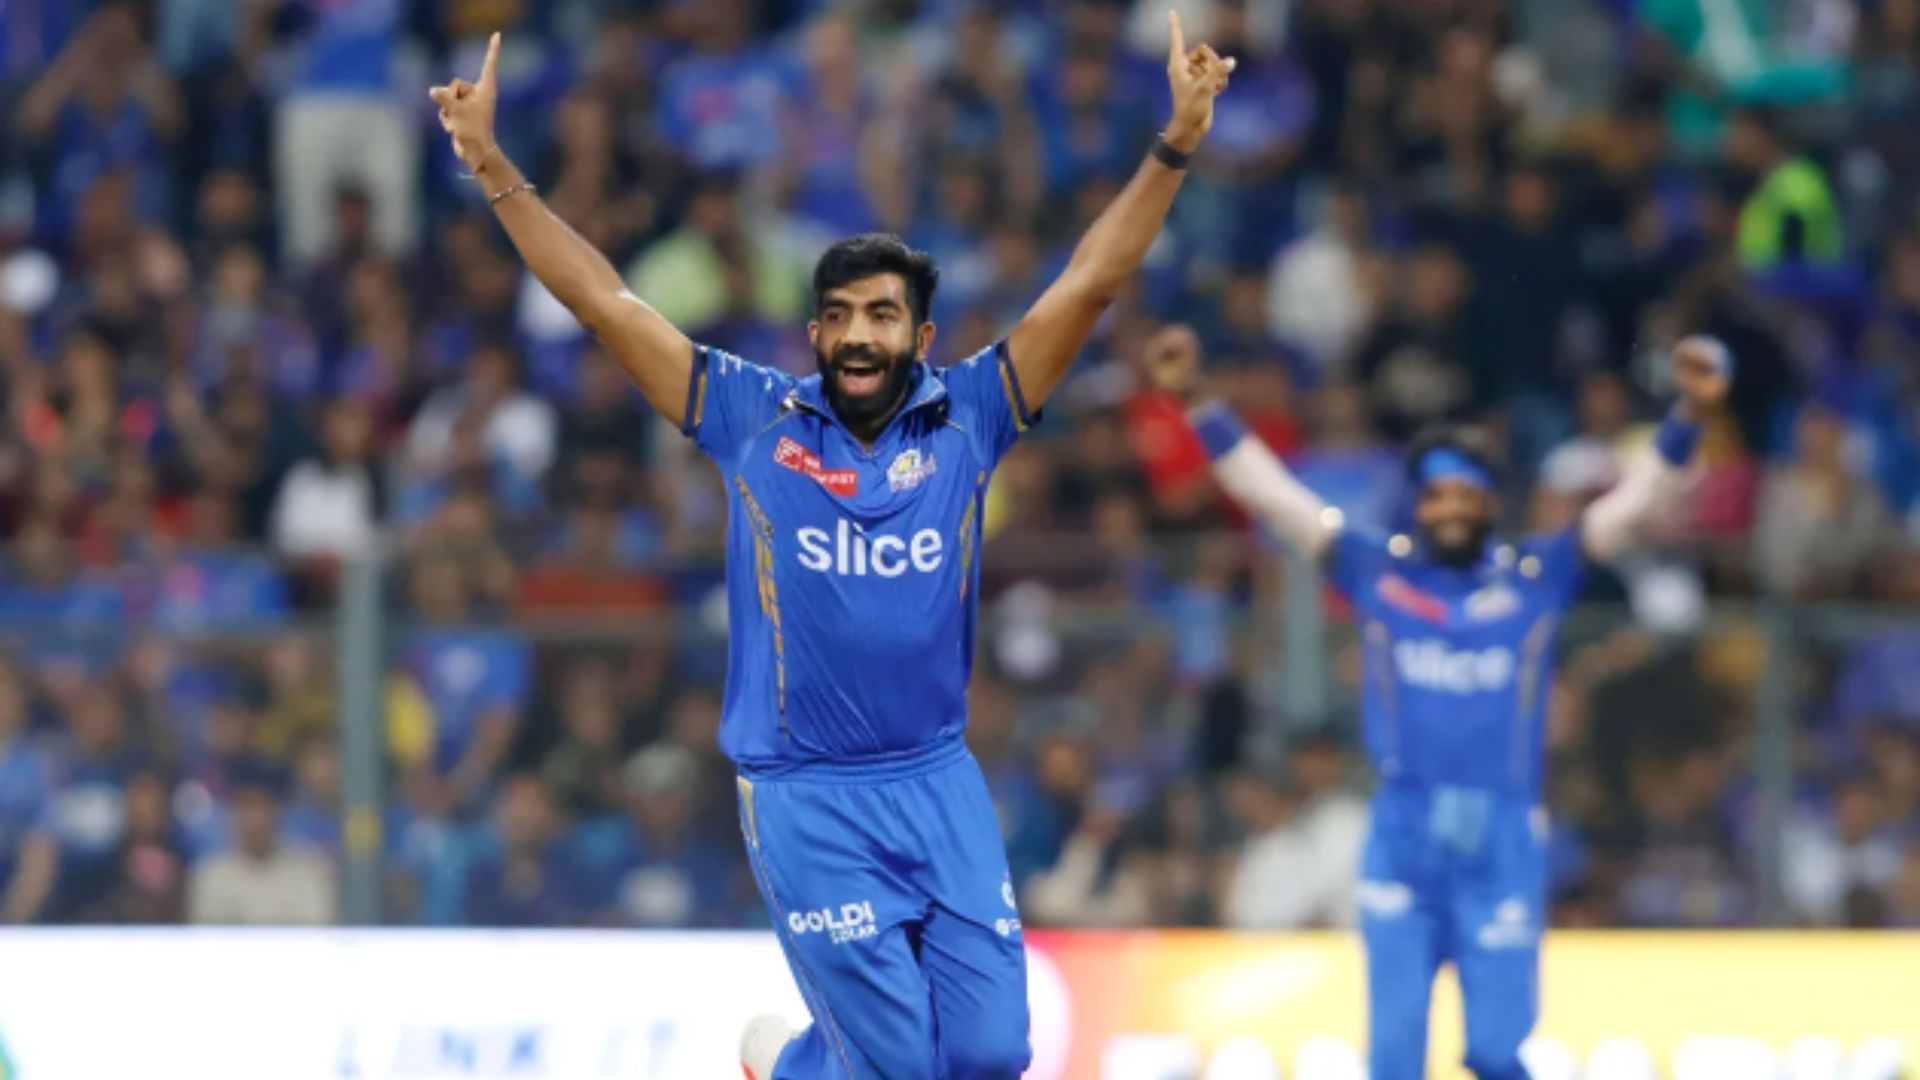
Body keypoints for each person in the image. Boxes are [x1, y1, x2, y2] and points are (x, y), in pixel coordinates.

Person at [430, 20, 1235, 1080]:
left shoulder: (974, 414)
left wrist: (1174, 143)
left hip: (937, 779)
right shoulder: (750, 417)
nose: (861, 336)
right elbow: (601, 300)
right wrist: (494, 165)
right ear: (812, 334)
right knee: (899, 1065)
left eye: (884, 317)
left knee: (992, 1056)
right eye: (841, 316)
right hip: (808, 793)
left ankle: (792, 1064)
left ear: (921, 336)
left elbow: (1087, 285)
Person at [1147, 334, 1732, 1079]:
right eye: (1436, 494)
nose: (1450, 508)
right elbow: (1274, 496)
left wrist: (1687, 412)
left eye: (1464, 494)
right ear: (1418, 503)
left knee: (1495, 1051)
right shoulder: (1376, 572)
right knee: (1392, 1060)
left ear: (1489, 500)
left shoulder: (1536, 576)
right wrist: (1197, 397)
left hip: (1503, 837)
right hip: (1403, 834)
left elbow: (1634, 503)